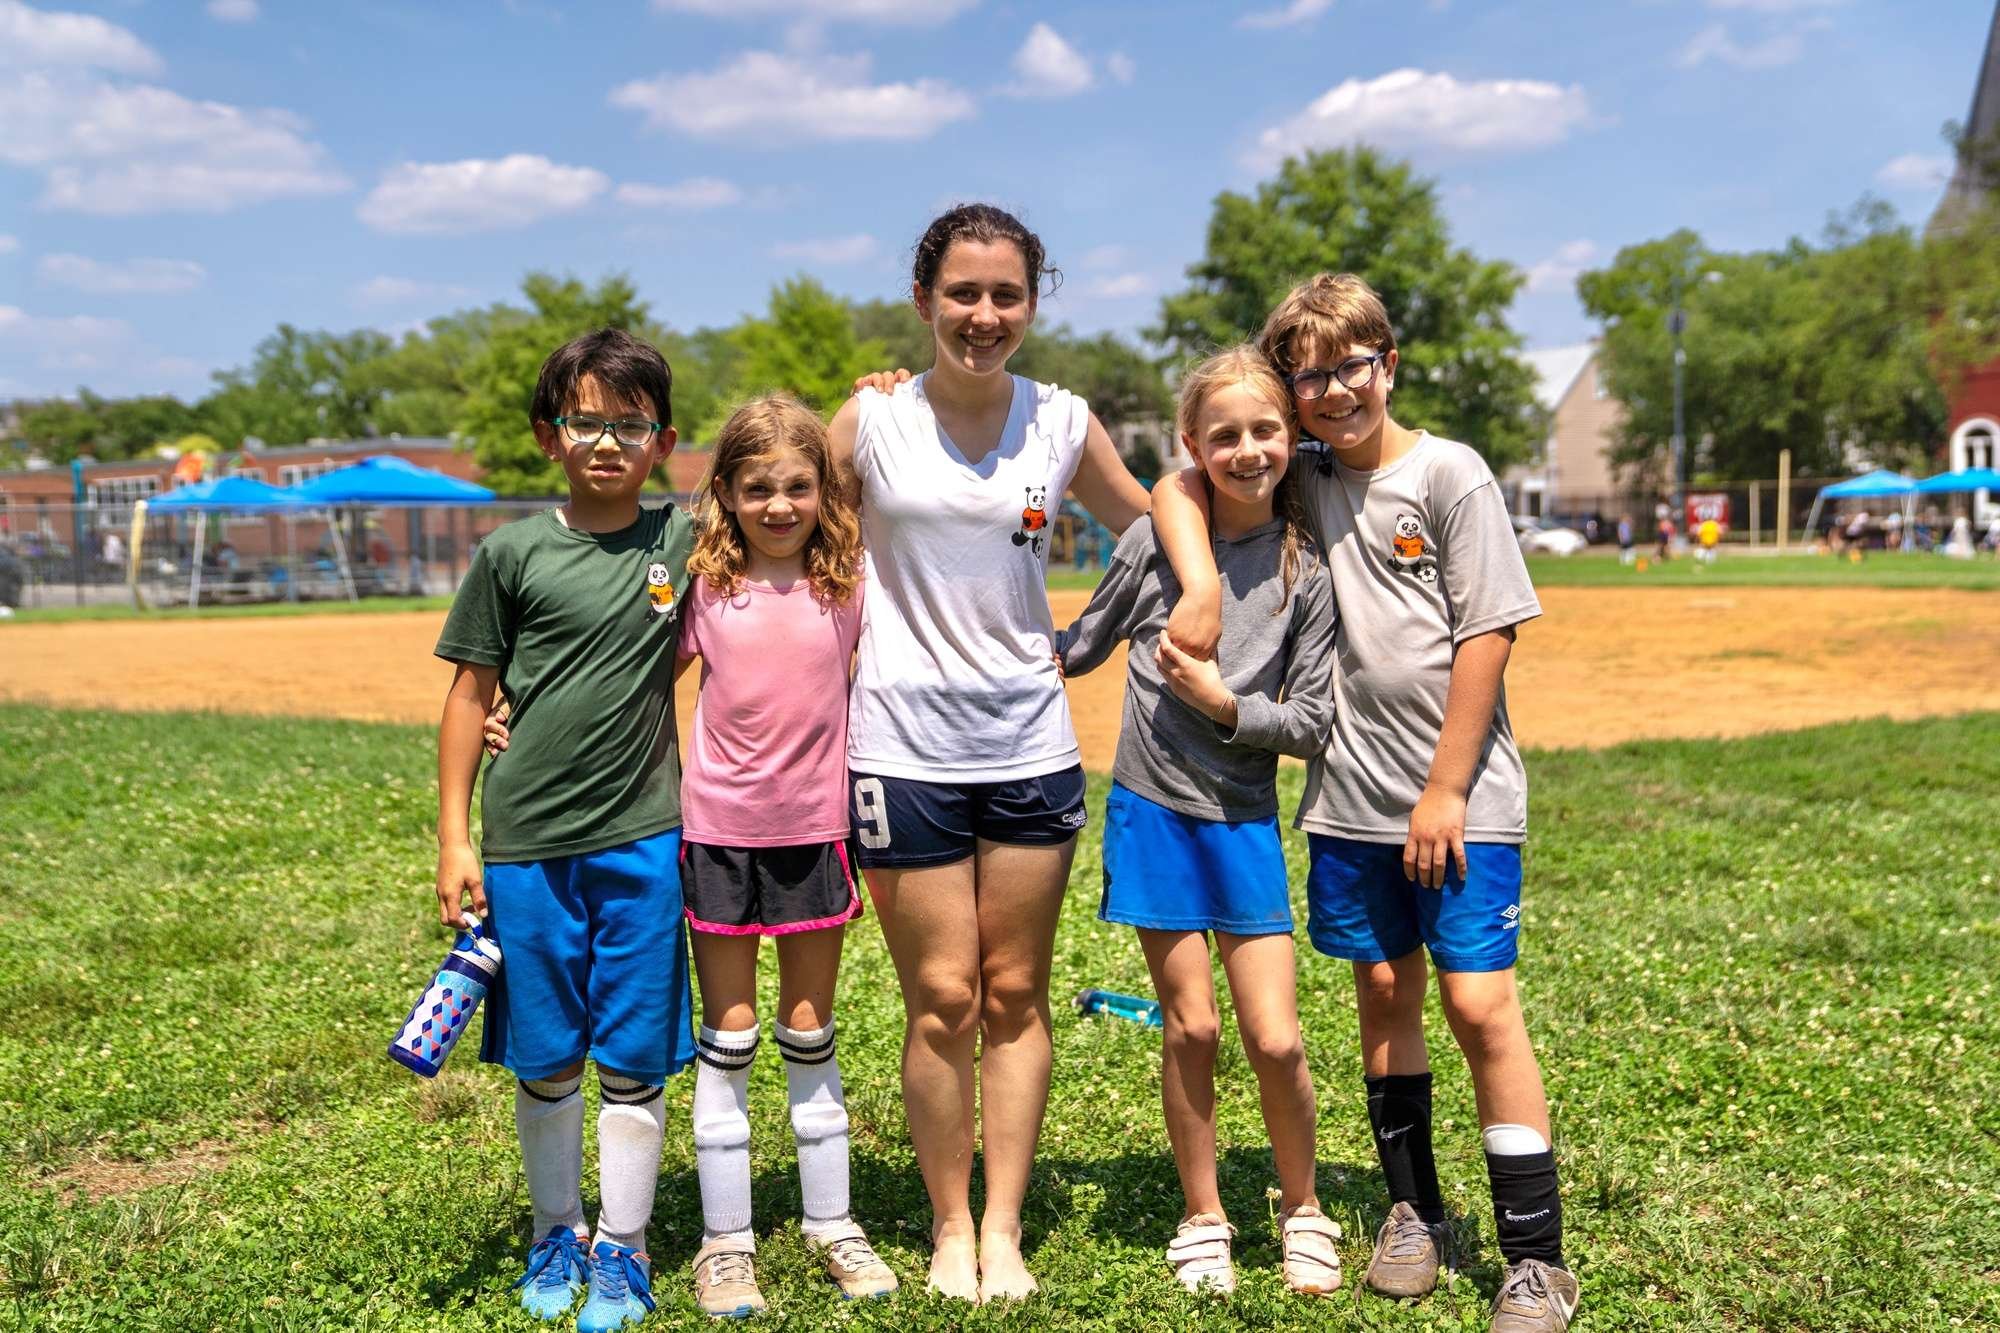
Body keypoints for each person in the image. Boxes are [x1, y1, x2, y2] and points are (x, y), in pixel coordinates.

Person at [1155, 273, 1580, 1333]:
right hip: (1346, 806)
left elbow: (1487, 633)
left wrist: (1442, 790)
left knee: (1479, 1007)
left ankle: (1535, 1259)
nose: (1333, 389)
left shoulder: (1451, 474)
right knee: (1384, 992)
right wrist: (1202, 589)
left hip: (1456, 800)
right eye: (1310, 374)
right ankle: (1412, 1212)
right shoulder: (1295, 474)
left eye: (1351, 366)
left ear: (1386, 363)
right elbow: (1175, 481)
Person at [829, 203, 1199, 1302]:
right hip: (900, 745)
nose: (982, 315)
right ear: (921, 300)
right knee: (942, 996)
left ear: (1031, 304)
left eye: (1005, 295)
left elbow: (1151, 523)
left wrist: (1103, 631)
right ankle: (948, 1228)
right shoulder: (869, 424)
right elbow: (755, 497)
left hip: (1030, 744)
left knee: (1015, 990)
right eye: (962, 293)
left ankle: (1003, 1227)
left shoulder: (1060, 420)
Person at [490, 395, 899, 1316]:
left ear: (823, 495)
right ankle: (726, 1241)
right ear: (726, 492)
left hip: (816, 834)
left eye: (799, 486)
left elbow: (859, 473)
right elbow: (626, 666)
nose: (780, 504)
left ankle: (831, 1220)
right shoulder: (703, 585)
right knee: (729, 1037)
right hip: (716, 834)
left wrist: (867, 401)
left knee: (809, 1031)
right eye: (758, 487)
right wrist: (523, 710)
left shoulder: (851, 583)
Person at [1054, 347, 1340, 1298]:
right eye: (1226, 435)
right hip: (1152, 810)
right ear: (1194, 445)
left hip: (1244, 817)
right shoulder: (1155, 542)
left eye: (1265, 430)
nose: (1249, 449)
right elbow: (1080, 647)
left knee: (1277, 1037)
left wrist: (1226, 706)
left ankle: (1302, 1208)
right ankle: (1204, 1214)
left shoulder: (1309, 561)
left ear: (1291, 437)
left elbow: (1309, 721)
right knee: (1193, 1028)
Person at [433, 328, 696, 1332]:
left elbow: (802, 476)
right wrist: (456, 839)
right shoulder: (511, 553)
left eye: (628, 425)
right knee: (545, 1053)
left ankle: (623, 1249)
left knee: (633, 1051)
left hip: (643, 840)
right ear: (550, 437)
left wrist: (873, 394)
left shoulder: (683, 542)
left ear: (662, 439)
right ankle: (556, 1231)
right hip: (525, 846)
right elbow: (469, 696)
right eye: (583, 421)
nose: (605, 441)